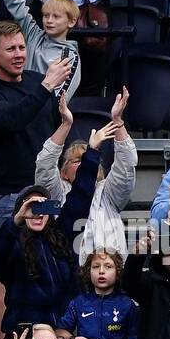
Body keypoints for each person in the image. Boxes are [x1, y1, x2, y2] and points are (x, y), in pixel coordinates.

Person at [0, 22, 73, 228]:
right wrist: (46, 86)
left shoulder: (37, 81)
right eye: (10, 49)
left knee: (50, 252)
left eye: (22, 47)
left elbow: (58, 128)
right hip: (11, 197)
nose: (19, 54)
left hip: (47, 191)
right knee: (17, 256)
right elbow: (13, 120)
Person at [37, 89, 134, 258]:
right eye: (77, 160)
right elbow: (45, 164)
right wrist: (66, 124)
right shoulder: (57, 194)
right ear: (64, 172)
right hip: (70, 276)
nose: (86, 163)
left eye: (89, 159)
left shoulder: (108, 193)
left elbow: (126, 166)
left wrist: (117, 121)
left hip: (110, 273)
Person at [0, 182, 90, 337]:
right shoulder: (12, 242)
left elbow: (80, 199)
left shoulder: (61, 242)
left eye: (42, 205)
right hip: (23, 335)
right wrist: (17, 220)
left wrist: (64, 326)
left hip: (58, 333)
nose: (36, 211)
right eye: (31, 205)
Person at [60, 248, 140, 339]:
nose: (101, 271)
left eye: (108, 267)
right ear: (88, 271)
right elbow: (60, 334)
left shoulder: (127, 304)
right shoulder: (78, 303)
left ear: (118, 272)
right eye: (96, 267)